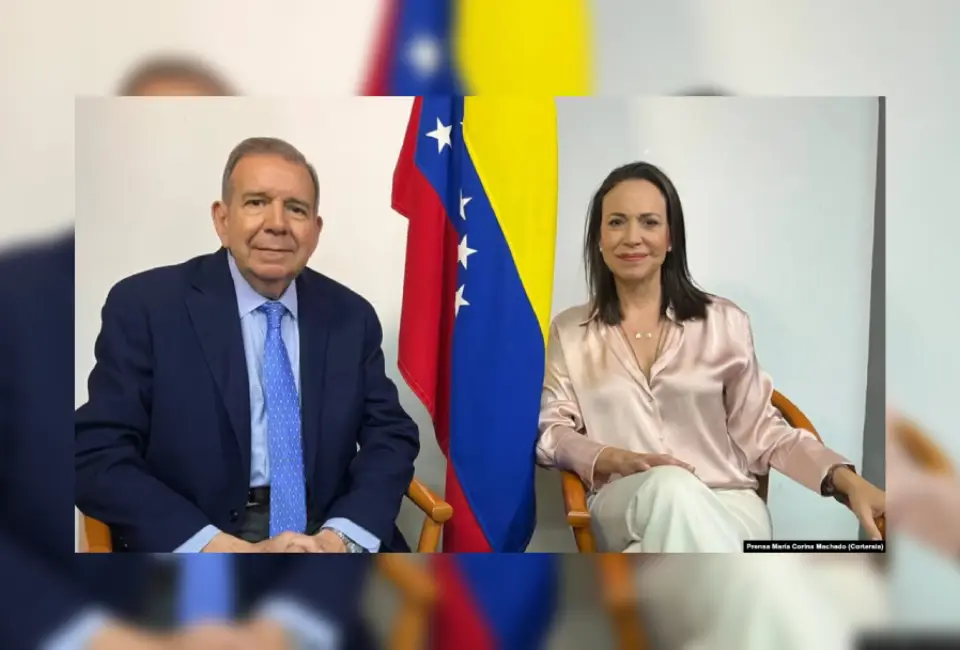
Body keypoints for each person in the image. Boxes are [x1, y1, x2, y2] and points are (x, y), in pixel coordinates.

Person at [75, 136, 420, 554]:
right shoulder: (146, 306)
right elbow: (97, 451)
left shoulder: (350, 316)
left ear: (315, 230)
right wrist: (218, 547)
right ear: (222, 220)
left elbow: (391, 435)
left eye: (296, 209)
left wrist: (341, 537)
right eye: (257, 202)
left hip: (325, 530)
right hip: (202, 534)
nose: (277, 223)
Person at [535, 161, 885, 552]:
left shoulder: (724, 322)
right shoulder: (570, 331)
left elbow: (765, 431)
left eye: (649, 222)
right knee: (671, 487)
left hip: (728, 503)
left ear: (671, 238)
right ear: (598, 239)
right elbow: (552, 432)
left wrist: (844, 479)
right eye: (617, 222)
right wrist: (612, 458)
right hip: (626, 502)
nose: (632, 237)